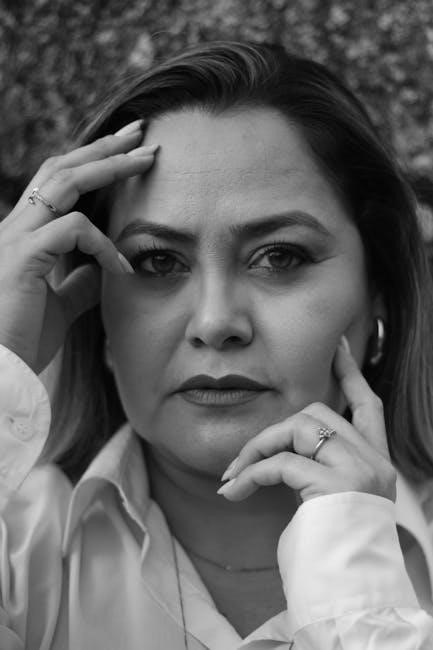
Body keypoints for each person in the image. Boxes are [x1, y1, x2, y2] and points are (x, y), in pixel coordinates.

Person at [1, 40, 433, 650]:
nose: (214, 322)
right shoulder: (19, 555)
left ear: (378, 291)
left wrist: (356, 594)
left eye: (279, 256)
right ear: (98, 315)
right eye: (157, 261)